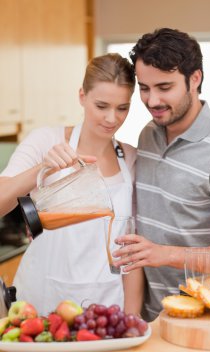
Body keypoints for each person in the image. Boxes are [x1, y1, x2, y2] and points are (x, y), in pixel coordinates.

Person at [112, 28, 210, 322]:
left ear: (195, 79)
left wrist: (163, 254)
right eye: (144, 88)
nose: (152, 101)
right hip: (154, 319)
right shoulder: (149, 134)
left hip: (206, 320)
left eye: (165, 87)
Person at [0, 53, 143, 316]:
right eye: (102, 106)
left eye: (122, 108)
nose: (112, 118)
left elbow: (131, 252)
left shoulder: (130, 157)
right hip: (42, 301)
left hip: (107, 305)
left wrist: (132, 321)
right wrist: (43, 169)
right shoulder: (45, 140)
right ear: (82, 96)